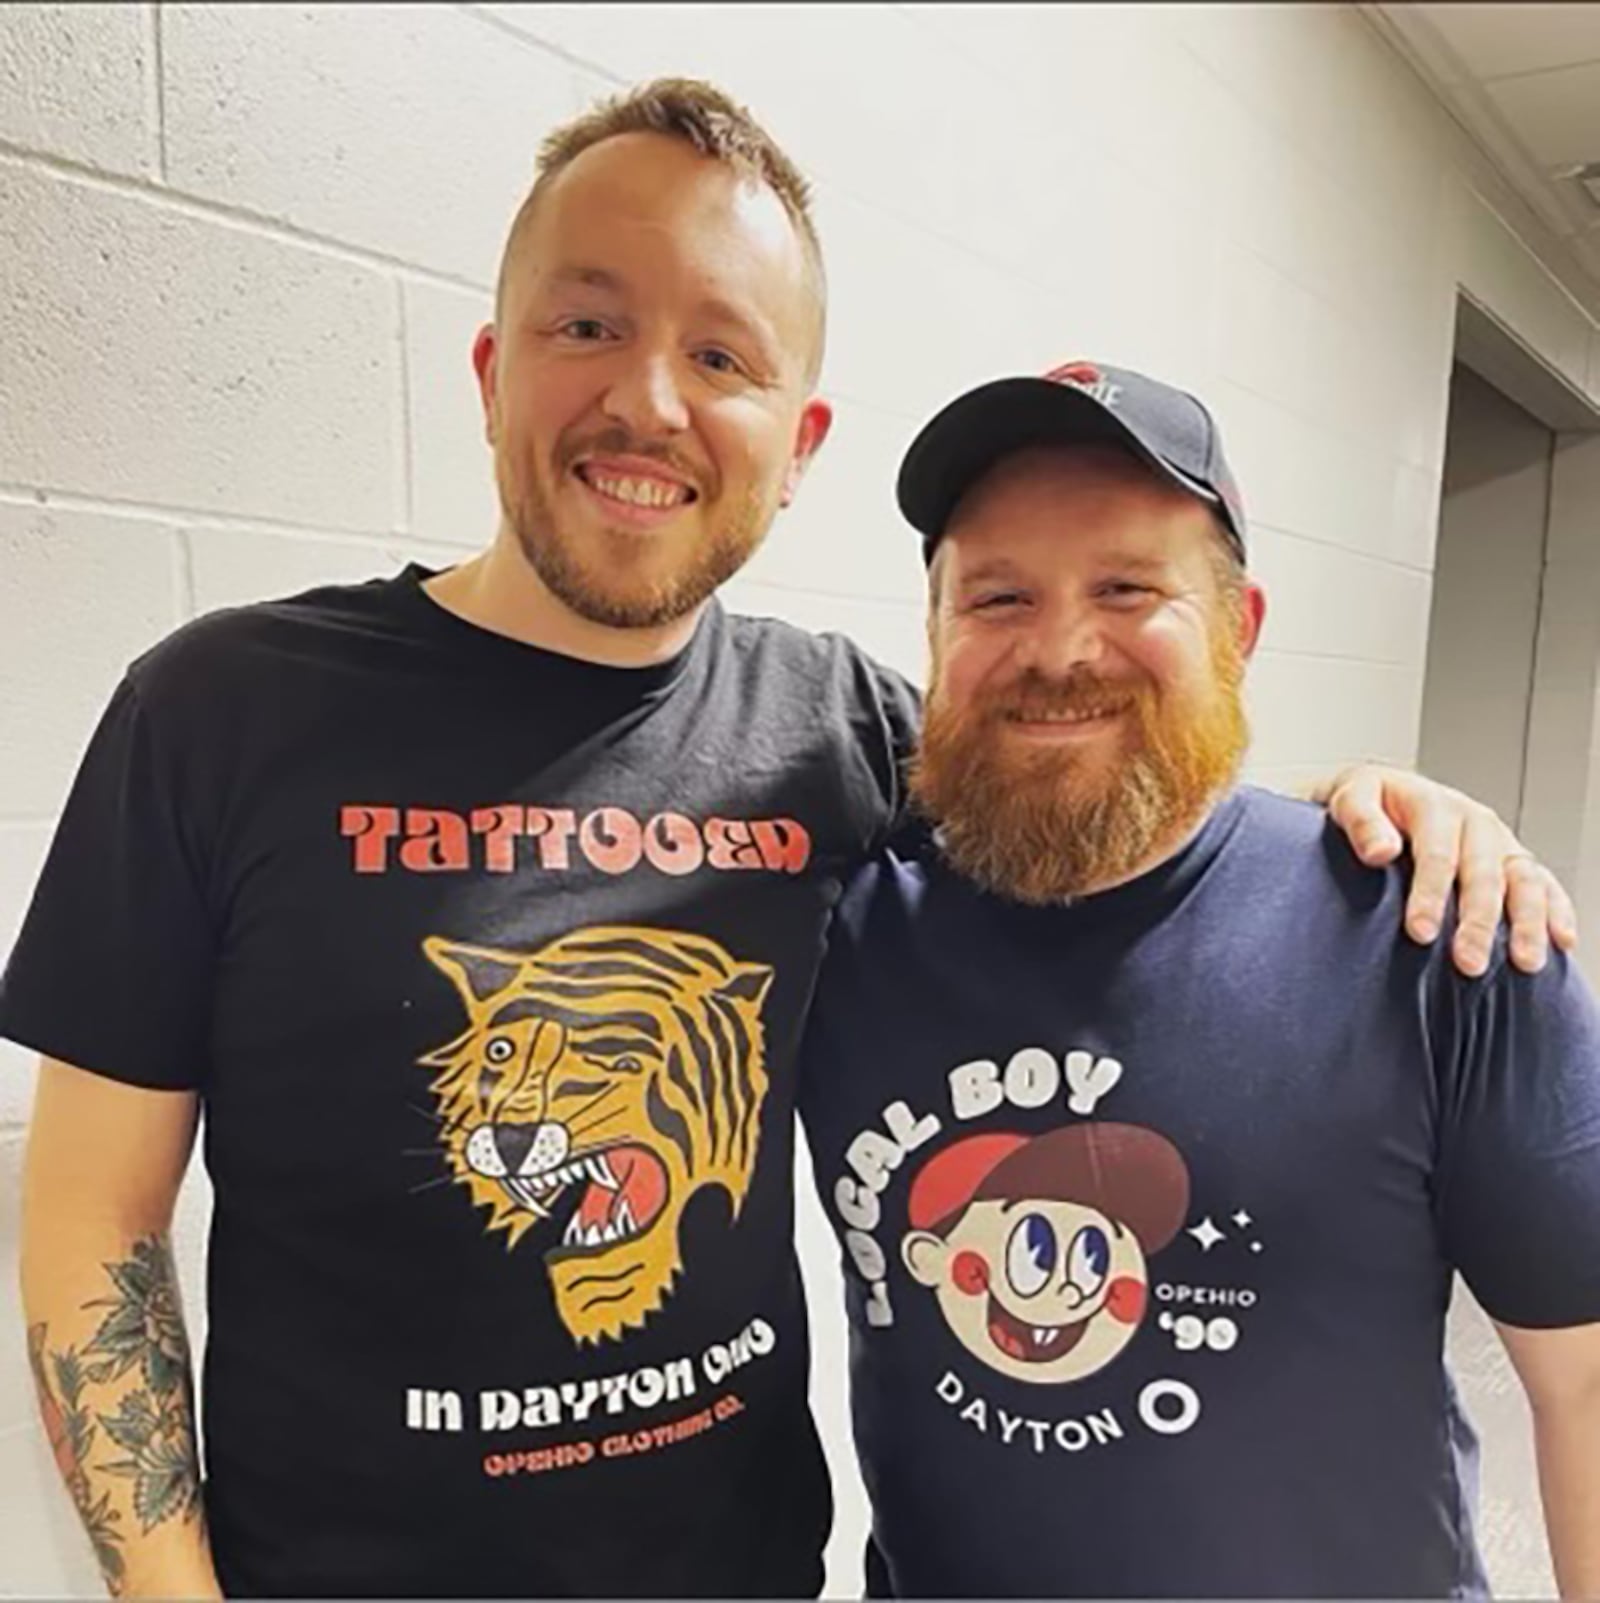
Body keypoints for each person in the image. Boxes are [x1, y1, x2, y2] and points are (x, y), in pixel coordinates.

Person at [0, 79, 1574, 1602]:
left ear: (797, 438)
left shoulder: (838, 725)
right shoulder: (219, 710)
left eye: (722, 353)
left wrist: (1380, 808)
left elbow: (1104, 786)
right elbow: (93, 1211)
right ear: (490, 366)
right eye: (587, 323)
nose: (649, 399)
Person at [799, 358, 1600, 1599]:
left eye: (1127, 587)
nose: (1058, 648)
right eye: (997, 596)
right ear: (936, 635)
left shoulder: (1439, 939)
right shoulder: (842, 932)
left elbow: (1586, 1383)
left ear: (1239, 627)